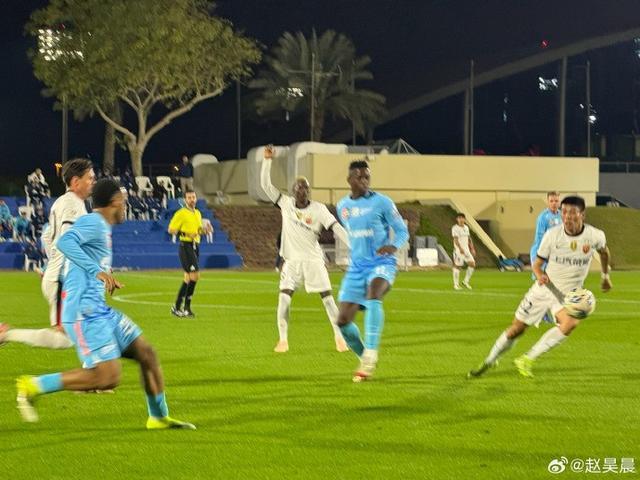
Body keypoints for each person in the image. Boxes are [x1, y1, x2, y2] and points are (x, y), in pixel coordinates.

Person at [15, 179, 195, 429]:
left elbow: (78, 260)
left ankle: (158, 417)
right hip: (83, 313)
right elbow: (65, 242)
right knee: (108, 377)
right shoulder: (94, 222)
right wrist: (97, 271)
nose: (126, 206)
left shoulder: (100, 227)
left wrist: (103, 275)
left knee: (146, 353)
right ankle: (33, 385)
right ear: (115, 202)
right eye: (124, 201)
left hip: (99, 310)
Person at [467, 195, 611, 379]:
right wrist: (539, 274)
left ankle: (527, 359)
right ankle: (490, 360)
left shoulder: (595, 236)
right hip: (545, 289)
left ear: (582, 215)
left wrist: (605, 276)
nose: (567, 216)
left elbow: (604, 252)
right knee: (517, 329)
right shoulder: (553, 235)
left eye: (572, 212)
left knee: (570, 324)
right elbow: (537, 263)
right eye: (564, 212)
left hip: (569, 295)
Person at [260, 145, 350, 353]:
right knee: (284, 299)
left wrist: (354, 245)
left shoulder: (319, 209)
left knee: (328, 300)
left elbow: (336, 227)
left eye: (306, 188)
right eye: (299, 188)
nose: (303, 191)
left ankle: (339, 337)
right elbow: (265, 185)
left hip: (313, 261)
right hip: (292, 262)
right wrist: (267, 160)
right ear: (293, 191)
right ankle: (283, 340)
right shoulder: (285, 204)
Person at [1, 159, 96, 351]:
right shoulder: (72, 204)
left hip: (60, 276)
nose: (93, 181)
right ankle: (6, 335)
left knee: (81, 331)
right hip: (63, 280)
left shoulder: (63, 202)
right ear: (76, 182)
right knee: (64, 338)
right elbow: (68, 242)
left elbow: (47, 236)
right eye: (90, 178)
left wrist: (52, 264)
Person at [335, 160, 409, 382]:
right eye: (359, 177)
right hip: (357, 267)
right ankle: (364, 358)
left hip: (382, 263)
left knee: (374, 294)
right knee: (342, 322)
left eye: (367, 176)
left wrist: (394, 246)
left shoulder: (382, 202)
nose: (364, 181)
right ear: (349, 180)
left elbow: (402, 231)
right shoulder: (342, 207)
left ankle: (371, 354)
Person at [167, 189, 210, 317]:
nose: (192, 200)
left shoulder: (197, 213)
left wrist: (205, 231)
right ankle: (186, 308)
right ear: (185, 200)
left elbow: (198, 231)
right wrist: (185, 233)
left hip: (195, 246)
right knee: (195, 276)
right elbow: (171, 229)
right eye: (189, 198)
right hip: (186, 246)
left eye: (193, 197)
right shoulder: (181, 213)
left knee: (188, 278)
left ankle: (177, 307)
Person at [451, 213, 476, 290]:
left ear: (464, 219)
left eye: (462, 218)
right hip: (459, 250)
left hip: (466, 250)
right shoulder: (455, 228)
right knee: (457, 266)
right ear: (457, 219)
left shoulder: (466, 227)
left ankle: (465, 281)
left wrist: (472, 248)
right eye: (459, 218)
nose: (461, 219)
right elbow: (455, 240)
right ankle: (456, 285)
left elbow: (469, 238)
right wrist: (460, 248)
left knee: (472, 264)